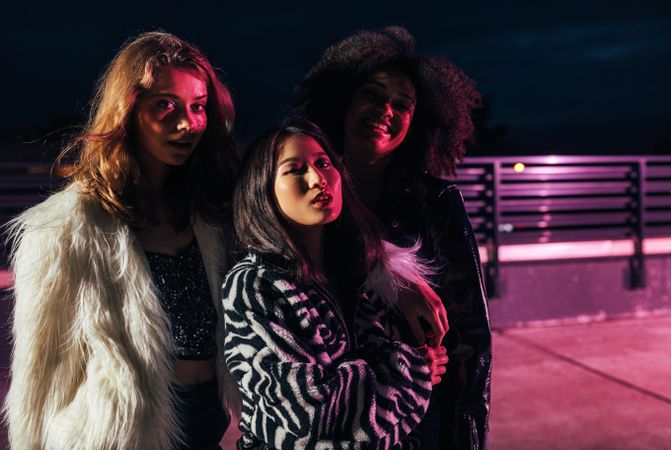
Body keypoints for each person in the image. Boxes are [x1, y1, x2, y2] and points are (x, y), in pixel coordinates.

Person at [5, 31, 240, 449]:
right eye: (166, 105)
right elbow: (40, 379)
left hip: (206, 427)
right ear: (128, 109)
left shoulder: (211, 212)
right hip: (116, 437)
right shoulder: (67, 229)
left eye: (198, 107)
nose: (188, 124)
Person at [294, 27, 492, 450]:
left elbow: (471, 340)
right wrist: (387, 274)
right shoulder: (305, 192)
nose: (386, 109)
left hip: (418, 418)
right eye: (373, 93)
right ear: (344, 98)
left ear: (417, 122)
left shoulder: (436, 204)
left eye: (402, 104)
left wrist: (468, 438)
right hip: (332, 415)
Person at [222, 117, 448, 449]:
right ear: (263, 190)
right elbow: (311, 412)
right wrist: (412, 370)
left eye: (324, 163)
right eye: (294, 169)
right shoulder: (254, 284)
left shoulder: (363, 276)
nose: (317, 178)